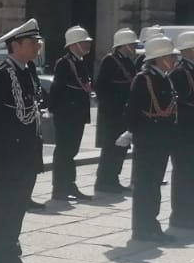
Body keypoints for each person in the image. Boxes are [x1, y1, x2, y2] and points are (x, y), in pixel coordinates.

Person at [0, 19, 48, 263]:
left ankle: (10, 256)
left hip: (28, 153)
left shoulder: (28, 71)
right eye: (32, 44)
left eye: (37, 44)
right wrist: (10, 144)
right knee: (3, 208)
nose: (37, 48)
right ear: (16, 45)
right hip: (8, 155)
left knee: (18, 207)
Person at [126, 36, 180, 244]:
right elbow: (132, 111)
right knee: (144, 185)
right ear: (159, 58)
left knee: (154, 184)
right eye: (170, 56)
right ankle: (142, 228)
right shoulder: (144, 78)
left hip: (162, 139)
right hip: (148, 139)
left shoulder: (164, 77)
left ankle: (152, 225)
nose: (174, 60)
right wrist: (137, 134)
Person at [49, 26, 94, 203]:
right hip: (67, 114)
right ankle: (60, 188)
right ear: (74, 44)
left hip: (77, 114)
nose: (87, 45)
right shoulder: (65, 63)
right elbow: (57, 89)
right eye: (84, 42)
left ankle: (69, 184)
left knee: (71, 151)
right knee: (64, 151)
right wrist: (55, 110)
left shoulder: (79, 62)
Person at [95, 28, 138, 195]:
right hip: (112, 114)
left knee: (121, 149)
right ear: (123, 45)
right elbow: (101, 87)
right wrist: (112, 103)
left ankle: (114, 178)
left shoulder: (128, 62)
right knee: (110, 148)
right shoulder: (110, 61)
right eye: (131, 45)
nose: (134, 48)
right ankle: (104, 181)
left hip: (123, 113)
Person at [171, 32, 194, 233]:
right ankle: (180, 216)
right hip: (184, 131)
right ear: (189, 50)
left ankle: (189, 213)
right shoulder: (180, 72)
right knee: (183, 174)